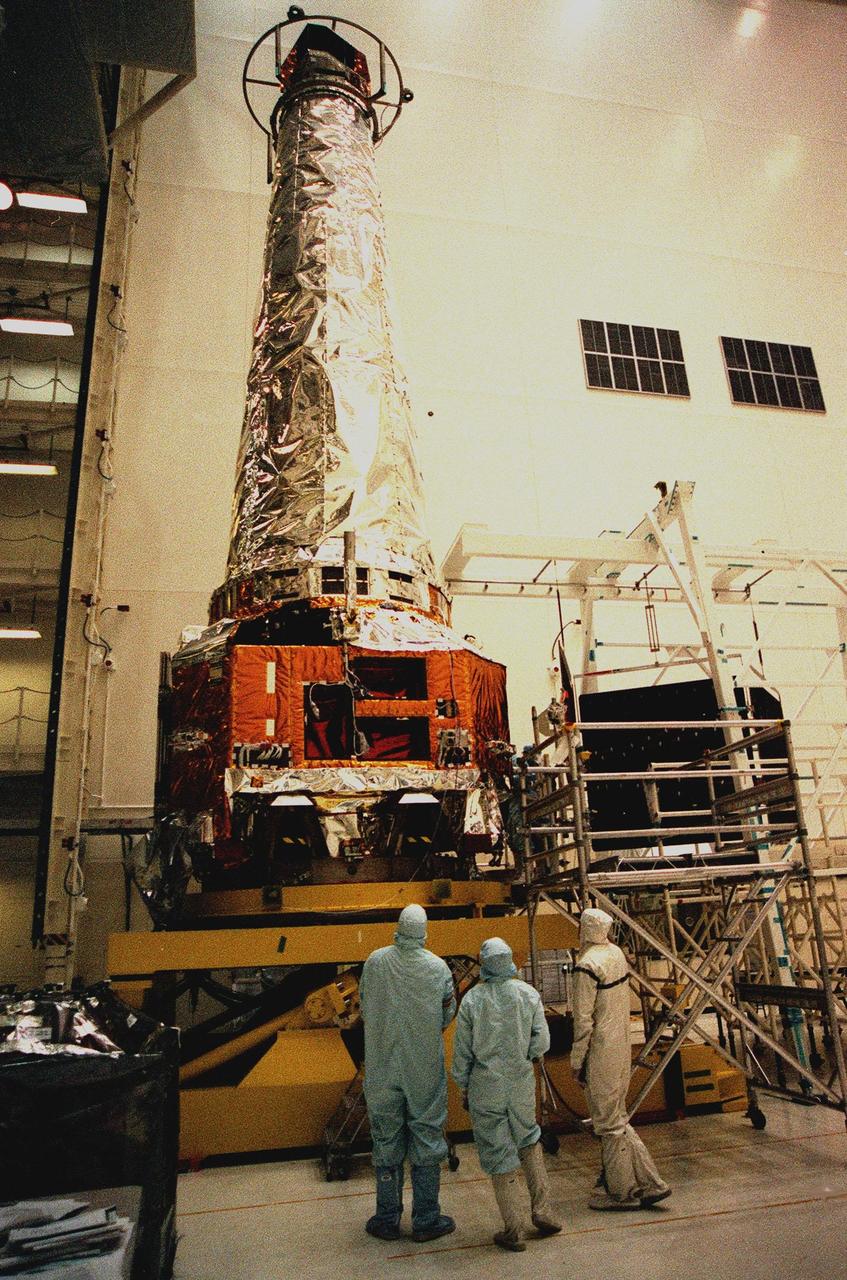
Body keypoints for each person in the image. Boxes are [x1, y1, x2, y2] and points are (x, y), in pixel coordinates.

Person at [451, 937, 562, 1252]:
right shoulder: (528, 994)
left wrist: (463, 1086)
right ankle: (543, 1211)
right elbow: (542, 1041)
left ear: (485, 963)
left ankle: (514, 1230)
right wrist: (524, 1057)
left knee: (499, 1154)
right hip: (520, 1083)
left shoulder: (473, 1001)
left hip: (485, 1086)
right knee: (529, 1139)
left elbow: (462, 1053)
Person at [359, 903, 457, 1242]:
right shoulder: (438, 968)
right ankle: (426, 1219)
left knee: (385, 1138)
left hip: (382, 1066)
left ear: (398, 928)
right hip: (423, 1067)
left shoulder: (374, 962)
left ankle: (387, 1219)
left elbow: (364, 1005)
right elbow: (447, 1014)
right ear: (424, 932)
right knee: (427, 1137)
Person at [571, 907, 671, 1210]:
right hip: (621, 1047)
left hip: (600, 1051)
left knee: (608, 1125)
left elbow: (583, 1020)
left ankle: (623, 1193)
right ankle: (652, 1183)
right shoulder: (615, 953)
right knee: (617, 1118)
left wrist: (577, 1061)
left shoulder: (586, 965)